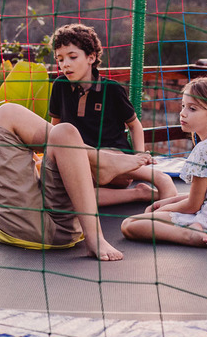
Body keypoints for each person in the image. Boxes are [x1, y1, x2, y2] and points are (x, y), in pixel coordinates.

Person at [0, 101, 153, 261]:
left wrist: (136, 194)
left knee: (64, 133)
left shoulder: (9, 172)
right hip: (20, 225)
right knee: (6, 113)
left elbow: (85, 193)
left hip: (66, 231)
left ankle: (94, 237)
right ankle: (98, 158)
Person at [121, 77, 207, 247]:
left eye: (192, 108)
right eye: (183, 106)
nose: (182, 113)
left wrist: (165, 210)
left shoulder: (204, 150)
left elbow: (193, 205)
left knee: (130, 224)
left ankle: (190, 234)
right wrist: (165, 202)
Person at [48, 22, 176, 205]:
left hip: (116, 160)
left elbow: (134, 125)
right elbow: (55, 127)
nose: (65, 64)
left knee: (102, 159)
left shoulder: (112, 90)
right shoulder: (59, 86)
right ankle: (139, 194)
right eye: (60, 59)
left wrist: (138, 158)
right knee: (68, 195)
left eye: (72, 57)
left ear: (91, 58)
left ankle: (160, 178)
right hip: (82, 161)